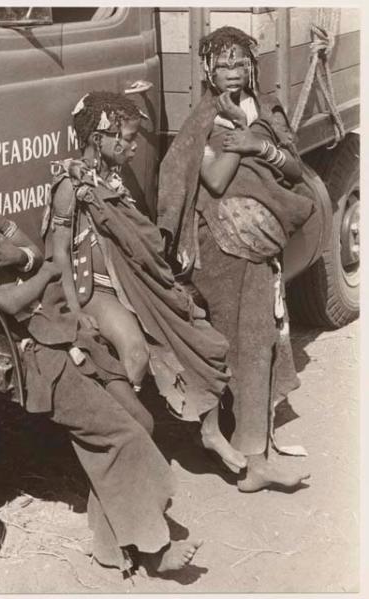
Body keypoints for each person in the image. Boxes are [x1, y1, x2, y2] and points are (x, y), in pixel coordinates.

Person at [0, 164, 202, 576]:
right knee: (119, 434)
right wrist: (46, 272)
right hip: (45, 361)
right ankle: (154, 546)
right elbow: (10, 301)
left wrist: (19, 254)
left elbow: (29, 248)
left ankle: (112, 544)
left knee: (139, 421)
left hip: (69, 337)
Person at [45, 91, 247, 474]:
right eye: (129, 137)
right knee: (135, 351)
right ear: (99, 139)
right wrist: (74, 311)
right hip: (98, 290)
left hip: (134, 285)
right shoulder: (71, 186)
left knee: (195, 330)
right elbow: (60, 256)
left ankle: (210, 431)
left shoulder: (113, 180)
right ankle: (131, 439)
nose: (136, 145)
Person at [158, 26, 313, 492]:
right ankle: (240, 450)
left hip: (259, 245)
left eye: (239, 63)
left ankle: (250, 451)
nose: (232, 72)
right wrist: (243, 137)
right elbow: (218, 181)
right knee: (237, 343)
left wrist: (257, 141)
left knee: (258, 340)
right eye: (222, 64)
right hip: (223, 246)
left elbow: (294, 167)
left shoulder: (265, 110)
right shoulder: (206, 117)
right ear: (208, 70)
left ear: (252, 67)